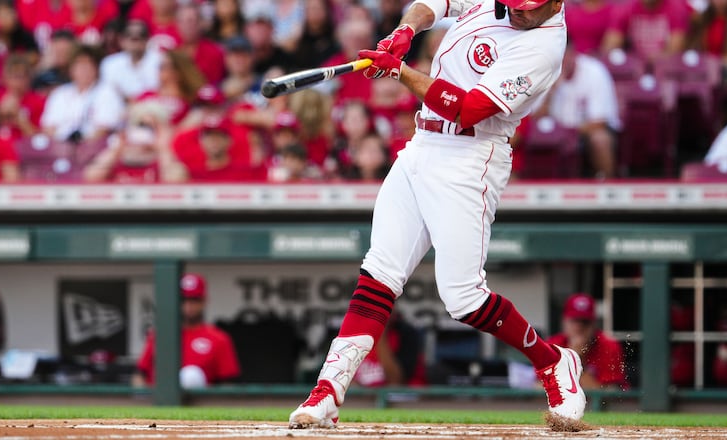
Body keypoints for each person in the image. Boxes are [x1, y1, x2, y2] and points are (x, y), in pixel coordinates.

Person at [288, 0, 586, 431]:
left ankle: (554, 361)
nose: (515, 12)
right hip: (421, 145)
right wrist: (405, 33)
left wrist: (400, 72)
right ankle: (327, 392)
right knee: (379, 273)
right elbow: (433, 4)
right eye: (511, 5)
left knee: (463, 299)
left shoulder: (544, 45)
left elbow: (470, 109)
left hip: (471, 156)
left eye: (525, 8)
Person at [135, 273, 241, 388]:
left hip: (202, 402)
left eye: (194, 300)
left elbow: (228, 384)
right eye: (183, 300)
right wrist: (143, 395)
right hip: (160, 402)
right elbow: (139, 375)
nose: (188, 306)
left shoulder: (219, 339)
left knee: (191, 376)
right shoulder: (160, 335)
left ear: (204, 301)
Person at [535, 40, 620, 178]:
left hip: (585, 132)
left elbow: (599, 121)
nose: (560, 61)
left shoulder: (594, 71)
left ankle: (608, 186)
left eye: (563, 55)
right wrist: (551, 91)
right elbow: (535, 118)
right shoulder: (545, 73)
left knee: (600, 139)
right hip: (554, 134)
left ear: (572, 53)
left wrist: (569, 132)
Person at [40, 44, 124, 142]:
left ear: (96, 69)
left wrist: (81, 144)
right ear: (71, 69)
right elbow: (48, 127)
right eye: (79, 65)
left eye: (88, 65)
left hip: (93, 146)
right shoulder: (60, 93)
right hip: (60, 145)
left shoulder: (107, 92)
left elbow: (104, 129)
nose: (84, 69)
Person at [546, 293, 628, 390]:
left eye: (585, 322)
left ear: (594, 323)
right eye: (574, 320)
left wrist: (577, 361)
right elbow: (540, 388)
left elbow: (608, 395)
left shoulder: (609, 346)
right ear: (564, 321)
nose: (579, 327)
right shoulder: (553, 345)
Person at [601, 0, 690, 65]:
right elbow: (610, 46)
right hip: (633, 68)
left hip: (664, 69)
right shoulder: (626, 9)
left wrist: (653, 59)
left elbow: (674, 50)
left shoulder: (675, 9)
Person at [99, 20, 162, 102]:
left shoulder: (160, 61)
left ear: (148, 40)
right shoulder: (109, 64)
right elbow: (108, 95)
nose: (135, 38)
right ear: (121, 40)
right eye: (129, 34)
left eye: (141, 35)